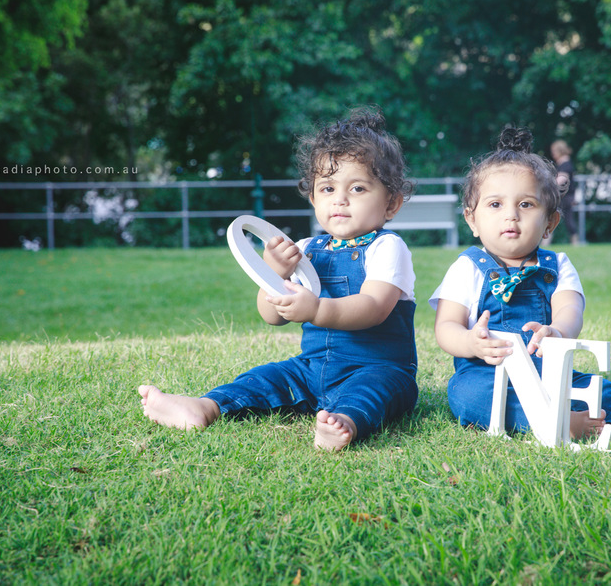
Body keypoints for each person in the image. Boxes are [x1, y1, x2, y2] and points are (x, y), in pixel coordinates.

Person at [138, 108, 419, 451]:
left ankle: (344, 423)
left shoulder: (388, 248)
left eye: (358, 188)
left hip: (377, 366)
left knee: (375, 391)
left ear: (391, 203)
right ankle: (205, 406)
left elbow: (373, 307)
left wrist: (315, 309)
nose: (340, 199)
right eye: (328, 188)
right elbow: (271, 316)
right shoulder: (303, 249)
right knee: (266, 377)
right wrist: (274, 274)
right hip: (312, 367)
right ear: (314, 198)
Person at [431, 126, 611, 447]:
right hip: (487, 373)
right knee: (468, 397)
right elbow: (446, 326)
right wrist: (470, 343)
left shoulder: (556, 265)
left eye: (526, 205)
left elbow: (571, 308)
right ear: (472, 220)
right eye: (495, 205)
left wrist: (558, 331)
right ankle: (559, 423)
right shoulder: (467, 267)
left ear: (550, 223)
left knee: (602, 389)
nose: (511, 216)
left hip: (552, 374)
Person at [544, 139, 579, 246]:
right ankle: (575, 243)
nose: (553, 154)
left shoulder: (565, 164)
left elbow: (561, 180)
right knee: (565, 220)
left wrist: (548, 187)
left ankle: (546, 243)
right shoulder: (566, 163)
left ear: (560, 151)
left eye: (554, 151)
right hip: (566, 197)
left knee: (552, 218)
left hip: (564, 197)